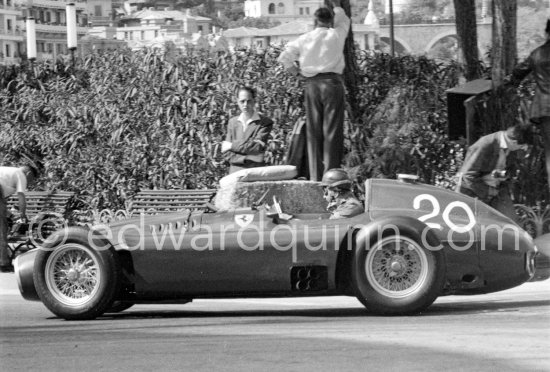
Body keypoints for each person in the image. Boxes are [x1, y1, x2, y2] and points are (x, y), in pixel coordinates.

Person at [277, 0, 350, 182]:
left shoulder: (304, 39)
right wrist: (336, 6)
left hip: (312, 84)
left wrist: (296, 73)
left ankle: (316, 177)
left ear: (314, 21)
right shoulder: (336, 34)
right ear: (330, 20)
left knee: (314, 132)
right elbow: (343, 19)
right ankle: (331, 177)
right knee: (332, 132)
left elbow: (284, 57)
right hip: (332, 83)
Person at [455, 126, 531, 223]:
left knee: (511, 226)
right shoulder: (486, 144)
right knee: (477, 231)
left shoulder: (510, 147)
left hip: (497, 190)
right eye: (521, 146)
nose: (523, 149)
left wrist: (504, 175)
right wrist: (489, 191)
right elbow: (468, 175)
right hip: (473, 192)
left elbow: (507, 168)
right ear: (514, 142)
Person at [510, 19, 550, 189]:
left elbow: (518, 72)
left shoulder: (537, 54)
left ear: (547, 33)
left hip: (544, 110)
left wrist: (510, 82)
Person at [222, 86, 273, 174]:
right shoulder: (232, 122)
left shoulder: (264, 123)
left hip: (254, 173)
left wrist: (231, 146)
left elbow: (257, 147)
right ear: (237, 102)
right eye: (242, 101)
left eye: (248, 101)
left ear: (254, 101)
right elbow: (226, 153)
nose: (245, 105)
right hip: (234, 173)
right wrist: (248, 157)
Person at [0, 164, 38, 272]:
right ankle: (3, 263)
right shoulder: (20, 174)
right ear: (29, 173)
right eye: (32, 180)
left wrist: (11, 216)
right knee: (2, 228)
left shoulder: (7, 174)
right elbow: (21, 196)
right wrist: (23, 214)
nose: (30, 183)